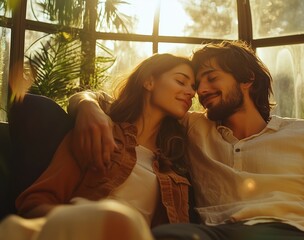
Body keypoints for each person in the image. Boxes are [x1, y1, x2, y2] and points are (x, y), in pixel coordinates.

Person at [67, 41, 304, 240]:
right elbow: (112, 101)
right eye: (197, 85)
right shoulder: (193, 127)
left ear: (247, 79)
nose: (201, 91)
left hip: (290, 231)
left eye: (212, 78)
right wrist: (87, 108)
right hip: (214, 233)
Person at [0, 53, 196, 240]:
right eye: (181, 81)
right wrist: (96, 221)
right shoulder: (100, 132)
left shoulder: (174, 164)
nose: (191, 92)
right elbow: (33, 206)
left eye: (193, 87)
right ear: (149, 82)